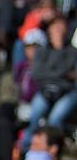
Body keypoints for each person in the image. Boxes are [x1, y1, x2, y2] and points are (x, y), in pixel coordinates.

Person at [26, 14, 77, 149]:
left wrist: (52, 73)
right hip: (45, 89)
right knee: (34, 118)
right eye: (55, 26)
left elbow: (74, 75)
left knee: (55, 120)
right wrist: (64, 74)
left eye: (62, 26)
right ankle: (27, 150)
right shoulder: (42, 51)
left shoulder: (72, 51)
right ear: (49, 29)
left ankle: (54, 151)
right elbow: (37, 74)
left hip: (67, 91)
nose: (59, 30)